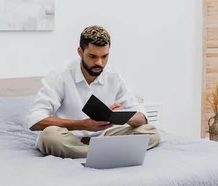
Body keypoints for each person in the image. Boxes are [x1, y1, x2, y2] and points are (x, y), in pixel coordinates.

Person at [26, 25, 161, 159]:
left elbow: (142, 117)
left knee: (151, 132)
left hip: (102, 138)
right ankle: (107, 153)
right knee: (49, 136)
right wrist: (81, 124)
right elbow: (35, 120)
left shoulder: (113, 76)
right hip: (68, 137)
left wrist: (121, 115)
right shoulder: (60, 76)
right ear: (80, 52)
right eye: (92, 56)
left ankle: (93, 153)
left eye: (104, 56)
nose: (99, 63)